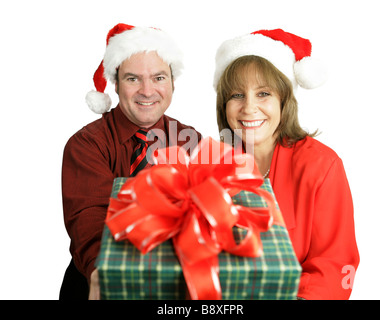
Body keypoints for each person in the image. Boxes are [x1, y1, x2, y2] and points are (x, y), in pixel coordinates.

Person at [214, 29, 359, 300]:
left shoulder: (321, 166)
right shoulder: (210, 164)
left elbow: (334, 263)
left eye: (263, 93)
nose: (249, 108)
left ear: (284, 100)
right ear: (224, 105)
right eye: (236, 95)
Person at [60, 23, 202, 300]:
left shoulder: (190, 140)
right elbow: (88, 217)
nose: (147, 91)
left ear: (173, 82)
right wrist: (106, 270)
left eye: (159, 78)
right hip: (100, 281)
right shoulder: (87, 144)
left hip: (174, 284)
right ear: (115, 83)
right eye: (133, 79)